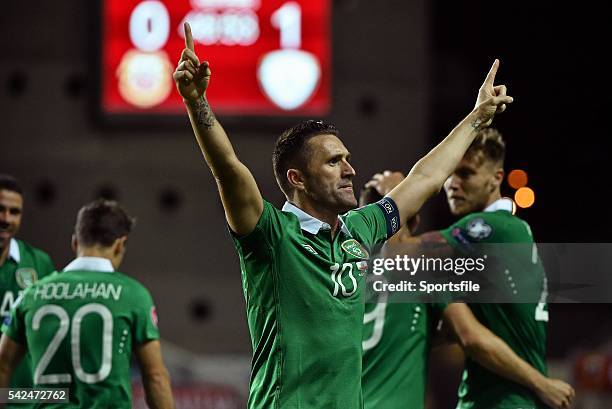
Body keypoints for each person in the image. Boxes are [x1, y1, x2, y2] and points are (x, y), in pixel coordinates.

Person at [173, 19, 513, 408]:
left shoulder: (360, 228)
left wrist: (476, 119)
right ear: (297, 178)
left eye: (347, 159)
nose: (350, 170)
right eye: (334, 162)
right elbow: (228, 169)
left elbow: (428, 177)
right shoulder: (271, 234)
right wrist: (196, 101)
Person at [362, 129, 575, 409]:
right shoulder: (499, 238)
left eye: (466, 174)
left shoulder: (488, 229)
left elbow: (398, 253)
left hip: (500, 401)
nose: (452, 184)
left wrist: (396, 196)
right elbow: (456, 331)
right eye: (450, 174)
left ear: (495, 179)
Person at [0, 199, 174, 409]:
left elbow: (3, 366)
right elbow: (155, 376)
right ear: (120, 245)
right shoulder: (133, 295)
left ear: (75, 242)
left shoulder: (31, 294)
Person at [0, 174, 55, 394]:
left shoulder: (39, 263)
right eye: (0, 209)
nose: (6, 218)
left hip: (21, 396)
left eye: (14, 212)